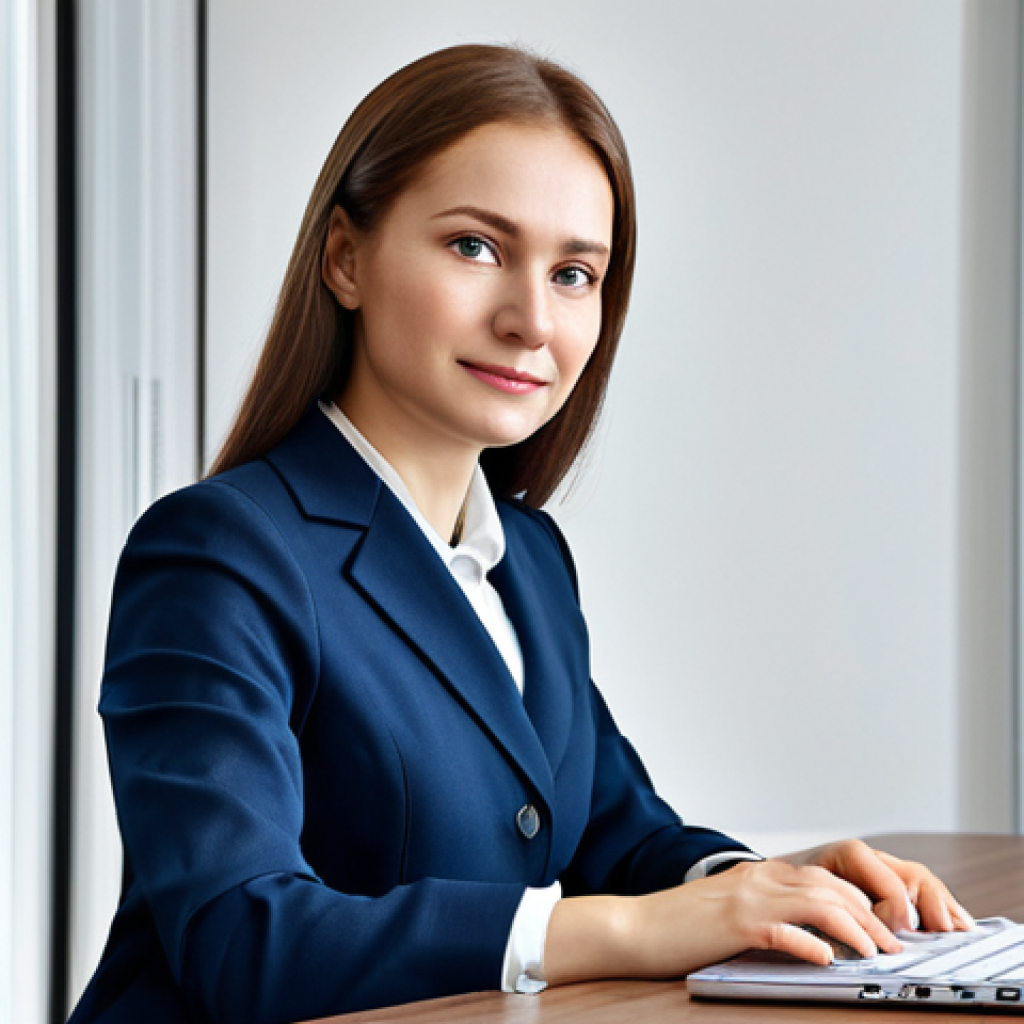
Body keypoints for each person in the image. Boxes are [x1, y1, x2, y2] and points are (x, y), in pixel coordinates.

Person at [69, 43, 972, 1024]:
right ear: (345, 258)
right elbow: (243, 938)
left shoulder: (527, 558)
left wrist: (767, 890)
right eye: (475, 247)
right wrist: (624, 930)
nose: (532, 321)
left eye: (575, 273)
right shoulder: (218, 554)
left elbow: (617, 834)